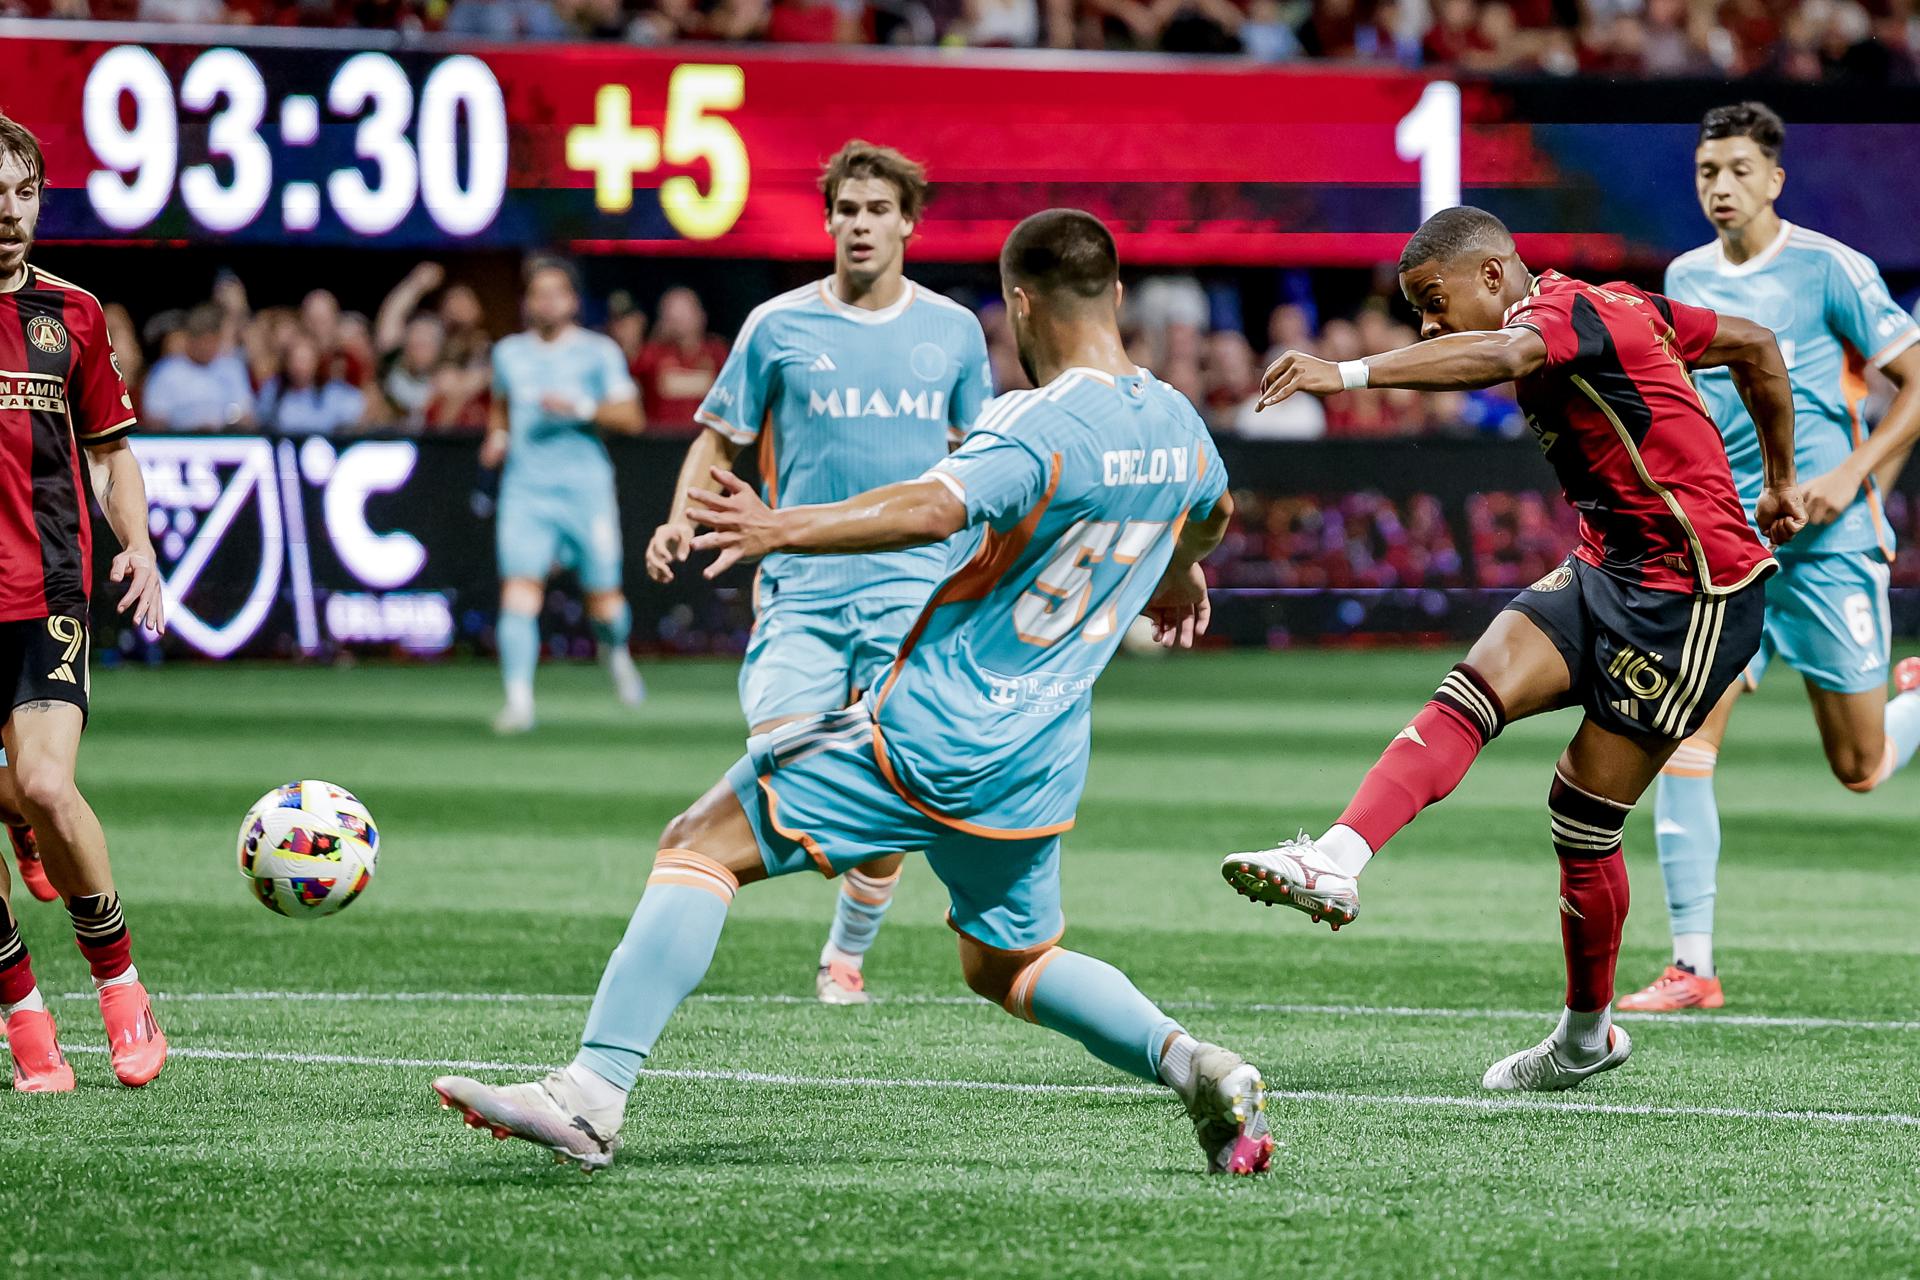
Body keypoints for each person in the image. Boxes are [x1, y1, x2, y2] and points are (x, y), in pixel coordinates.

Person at [430, 208, 1273, 1177]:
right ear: (1118, 295)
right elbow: (1213, 513)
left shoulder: (1031, 422)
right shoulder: (1178, 421)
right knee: (1011, 964)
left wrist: (777, 527)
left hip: (930, 731)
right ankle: (1193, 1061)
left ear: (1019, 303)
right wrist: (1175, 569)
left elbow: (928, 507)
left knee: (698, 845)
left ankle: (590, 1095)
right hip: (1036, 763)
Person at [1222, 206, 1806, 1092]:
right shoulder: (1624, 308)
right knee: (1471, 690)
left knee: (1581, 815)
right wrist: (1781, 480)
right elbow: (1756, 347)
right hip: (1609, 565)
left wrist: (1344, 373)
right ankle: (1335, 859)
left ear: (1493, 277)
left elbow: (1506, 357)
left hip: (1696, 597)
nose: (1426, 325)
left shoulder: (1565, 315)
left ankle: (1585, 1038)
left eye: (1431, 302)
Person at [645, 141, 992, 1006]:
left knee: (888, 780)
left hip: (911, 591)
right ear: (829, 220)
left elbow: (979, 464)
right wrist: (679, 516)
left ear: (909, 222)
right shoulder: (777, 326)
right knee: (780, 760)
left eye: (878, 210)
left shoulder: (952, 332)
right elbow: (718, 439)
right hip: (798, 590)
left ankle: (845, 955)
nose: (861, 225)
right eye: (847, 210)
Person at [1618, 103, 1920, 1012]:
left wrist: (1850, 475)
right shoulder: (1683, 275)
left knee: (1859, 768)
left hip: (1831, 545)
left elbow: (1916, 387)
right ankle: (1692, 965)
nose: (1722, 187)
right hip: (1728, 548)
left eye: (1741, 170)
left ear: (1775, 179)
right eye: (1709, 171)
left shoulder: (1830, 269)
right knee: (1680, 738)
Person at [0, 113, 171, 1092]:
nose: (8, 211)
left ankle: (120, 984)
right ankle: (25, 1015)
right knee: (23, 786)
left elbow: (111, 453)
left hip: (44, 591)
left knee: (50, 786)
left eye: (23, 192)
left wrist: (138, 544)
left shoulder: (74, 314)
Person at [484, 258, 645, 734]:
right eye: (538, 293)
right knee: (518, 592)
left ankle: (615, 651)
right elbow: (500, 409)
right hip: (526, 490)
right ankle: (518, 702)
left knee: (607, 605)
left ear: (573, 301)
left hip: (585, 490)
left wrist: (578, 407)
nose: (546, 301)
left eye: (556, 292)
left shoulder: (598, 352)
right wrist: (497, 436)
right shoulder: (509, 353)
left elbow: (632, 417)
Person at [630, 287, 729, 435]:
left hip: (705, 438)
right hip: (661, 440)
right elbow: (630, 387)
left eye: (684, 311)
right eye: (670, 313)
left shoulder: (717, 353)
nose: (677, 318)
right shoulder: (651, 355)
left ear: (701, 316)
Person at [140, 303, 254, 431]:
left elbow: (246, 416)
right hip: (179, 443)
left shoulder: (232, 368)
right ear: (190, 339)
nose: (207, 347)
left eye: (212, 341)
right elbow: (154, 420)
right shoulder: (166, 371)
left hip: (225, 441)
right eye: (202, 341)